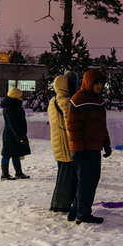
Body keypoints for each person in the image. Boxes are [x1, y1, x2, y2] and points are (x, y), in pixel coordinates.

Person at [66, 69, 112, 224]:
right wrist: (77, 150)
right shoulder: (79, 99)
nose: (100, 86)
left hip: (94, 147)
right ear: (89, 83)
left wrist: (106, 144)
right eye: (96, 83)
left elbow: (101, 126)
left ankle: (75, 210)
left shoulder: (98, 101)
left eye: (101, 83)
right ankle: (83, 214)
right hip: (84, 149)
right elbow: (73, 127)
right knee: (87, 182)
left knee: (90, 180)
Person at [48, 73, 78, 212]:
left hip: (58, 143)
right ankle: (60, 205)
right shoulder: (66, 102)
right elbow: (70, 126)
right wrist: (75, 145)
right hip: (66, 145)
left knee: (62, 175)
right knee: (66, 177)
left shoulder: (53, 100)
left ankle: (59, 203)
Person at [0, 86, 31, 180]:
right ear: (15, 96)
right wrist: (19, 136)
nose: (21, 97)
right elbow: (12, 124)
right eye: (20, 96)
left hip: (14, 134)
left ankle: (19, 173)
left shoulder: (15, 105)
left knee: (16, 153)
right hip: (11, 135)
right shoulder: (10, 108)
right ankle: (4, 174)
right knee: (7, 154)